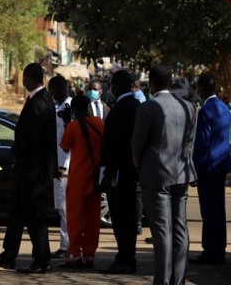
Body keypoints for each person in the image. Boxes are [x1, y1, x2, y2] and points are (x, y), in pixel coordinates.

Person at [0, 63, 57, 274]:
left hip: (33, 171)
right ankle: (8, 255)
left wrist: (15, 150)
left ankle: (42, 260)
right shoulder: (41, 100)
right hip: (28, 171)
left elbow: (32, 141)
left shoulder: (39, 103)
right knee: (16, 213)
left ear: (28, 79)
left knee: (35, 217)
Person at [131, 65, 197, 285]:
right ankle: (178, 280)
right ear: (171, 82)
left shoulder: (148, 107)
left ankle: (163, 281)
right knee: (180, 229)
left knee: (162, 232)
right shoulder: (189, 107)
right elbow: (189, 142)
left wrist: (141, 166)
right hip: (181, 173)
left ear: (151, 83)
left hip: (156, 175)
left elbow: (137, 146)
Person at [98, 70, 142, 274]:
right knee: (129, 218)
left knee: (121, 217)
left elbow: (115, 145)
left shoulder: (119, 109)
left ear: (115, 87)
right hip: (133, 172)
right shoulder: (137, 106)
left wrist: (108, 174)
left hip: (119, 174)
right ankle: (127, 256)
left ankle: (124, 258)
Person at [189, 73, 231, 265]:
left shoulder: (205, 111)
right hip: (221, 165)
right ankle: (219, 248)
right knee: (219, 210)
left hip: (207, 167)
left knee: (208, 211)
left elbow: (202, 144)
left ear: (202, 89)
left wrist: (194, 169)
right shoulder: (224, 108)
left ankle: (210, 251)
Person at [59, 95, 103, 269]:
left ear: (74, 110)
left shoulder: (72, 126)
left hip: (78, 177)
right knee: (92, 218)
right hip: (95, 176)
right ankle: (89, 255)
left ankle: (75, 254)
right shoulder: (99, 123)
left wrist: (66, 122)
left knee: (75, 218)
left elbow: (64, 146)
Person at [47, 75, 71, 260]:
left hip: (65, 168)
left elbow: (70, 143)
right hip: (58, 166)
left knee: (65, 209)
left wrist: (64, 166)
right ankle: (66, 245)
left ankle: (67, 246)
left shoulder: (68, 109)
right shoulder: (60, 109)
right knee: (62, 209)